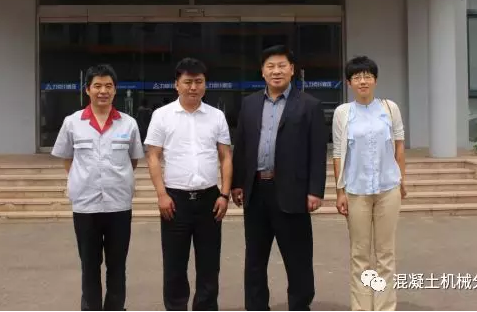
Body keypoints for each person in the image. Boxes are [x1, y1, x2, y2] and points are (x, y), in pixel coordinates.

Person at [231, 45, 328, 311]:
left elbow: (318, 151)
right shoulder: (250, 104)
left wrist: (315, 190)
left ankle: (299, 306)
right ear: (262, 71)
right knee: (254, 259)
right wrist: (237, 183)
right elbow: (242, 146)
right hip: (256, 191)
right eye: (270, 66)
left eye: (282, 66)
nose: (276, 71)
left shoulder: (309, 105)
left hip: (292, 192)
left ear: (292, 70)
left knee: (298, 259)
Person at [51, 64, 144, 311]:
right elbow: (67, 158)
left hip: (118, 205)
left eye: (108, 86)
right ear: (87, 90)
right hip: (86, 206)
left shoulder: (128, 124)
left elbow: (133, 160)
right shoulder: (72, 123)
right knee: (89, 265)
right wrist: (83, 179)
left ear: (115, 90)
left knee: (117, 266)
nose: (103, 91)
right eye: (97, 86)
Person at [144, 57, 233, 311]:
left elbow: (225, 156)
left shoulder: (216, 116)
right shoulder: (162, 116)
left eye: (198, 82)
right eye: (188, 82)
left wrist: (224, 194)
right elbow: (153, 156)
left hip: (209, 200)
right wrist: (161, 194)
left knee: (209, 264)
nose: (193, 87)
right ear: (177, 84)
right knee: (174, 264)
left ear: (205, 84)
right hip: (175, 201)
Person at [332, 56, 407, 312]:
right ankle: (362, 307)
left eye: (367, 76)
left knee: (386, 254)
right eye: (356, 77)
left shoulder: (389, 108)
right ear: (349, 83)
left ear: (375, 80)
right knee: (360, 255)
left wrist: (401, 179)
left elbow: (399, 146)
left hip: (388, 189)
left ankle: (385, 307)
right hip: (356, 191)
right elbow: (338, 154)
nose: (362, 81)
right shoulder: (343, 113)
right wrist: (340, 191)